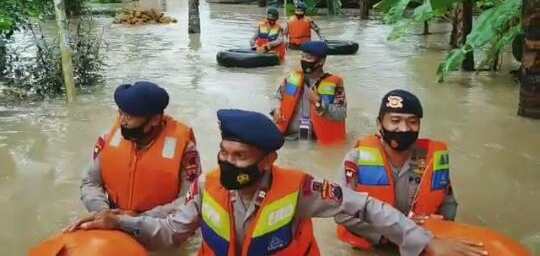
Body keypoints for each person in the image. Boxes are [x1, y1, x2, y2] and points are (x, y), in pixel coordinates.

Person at [65, 109, 487, 256]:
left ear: (268, 159)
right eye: (225, 154)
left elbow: (365, 206)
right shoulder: (208, 186)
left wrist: (425, 241)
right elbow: (170, 231)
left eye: (241, 157)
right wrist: (120, 222)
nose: (229, 164)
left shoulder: (301, 188)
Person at [336, 89, 458, 249]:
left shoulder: (432, 159)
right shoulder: (356, 159)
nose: (404, 128)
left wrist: (438, 229)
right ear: (379, 124)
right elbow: (341, 212)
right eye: (395, 121)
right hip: (372, 246)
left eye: (412, 122)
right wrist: (395, 232)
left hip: (420, 244)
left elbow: (448, 204)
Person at [80, 81, 201, 218]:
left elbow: (189, 200)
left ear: (154, 119)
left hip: (161, 225)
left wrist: (139, 220)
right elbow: (90, 182)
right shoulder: (108, 140)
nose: (122, 121)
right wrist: (103, 211)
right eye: (120, 113)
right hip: (111, 216)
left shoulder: (185, 151)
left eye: (129, 116)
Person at [271, 41, 346, 144]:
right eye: (303, 56)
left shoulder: (336, 84)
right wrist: (276, 109)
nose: (304, 60)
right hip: (289, 138)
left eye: (309, 58)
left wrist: (319, 103)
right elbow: (277, 96)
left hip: (316, 142)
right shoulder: (291, 78)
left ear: (321, 61)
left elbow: (341, 113)